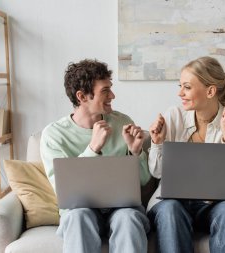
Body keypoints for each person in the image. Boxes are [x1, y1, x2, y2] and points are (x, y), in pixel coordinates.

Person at [40, 59, 151, 253]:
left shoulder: (122, 122)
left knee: (129, 218)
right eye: (105, 91)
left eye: (111, 88)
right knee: (78, 217)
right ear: (82, 96)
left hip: (121, 209)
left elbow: (142, 181)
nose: (112, 95)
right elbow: (63, 190)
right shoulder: (54, 135)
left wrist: (136, 152)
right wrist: (93, 148)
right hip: (80, 212)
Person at [147, 56, 225, 253]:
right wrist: (157, 142)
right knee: (170, 210)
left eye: (187, 87)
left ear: (210, 91)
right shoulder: (174, 116)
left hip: (214, 206)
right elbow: (156, 172)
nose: (180, 93)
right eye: (180, 86)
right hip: (172, 204)